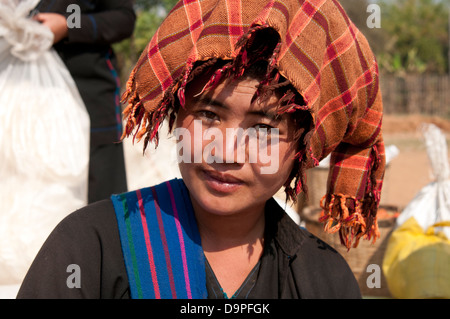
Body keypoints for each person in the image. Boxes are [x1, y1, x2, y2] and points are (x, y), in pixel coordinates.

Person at [17, 0, 385, 299]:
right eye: (209, 115)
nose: (225, 151)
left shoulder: (323, 281)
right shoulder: (89, 248)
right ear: (177, 116)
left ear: (304, 149)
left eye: (263, 129)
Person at [33, 0, 136, 203]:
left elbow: (123, 19)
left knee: (101, 193)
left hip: (91, 100)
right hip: (28, 99)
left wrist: (69, 25)